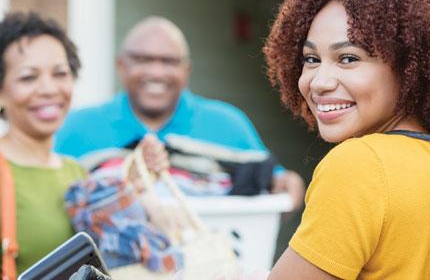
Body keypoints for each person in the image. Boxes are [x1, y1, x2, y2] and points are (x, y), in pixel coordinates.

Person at [261, 0, 430, 279]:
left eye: (348, 59)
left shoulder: (359, 166)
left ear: (410, 67)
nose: (319, 82)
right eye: (311, 59)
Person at [0, 12, 168, 279]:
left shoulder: (76, 172)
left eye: (60, 74)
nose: (49, 88)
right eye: (29, 77)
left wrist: (134, 189)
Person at [55, 16, 304, 207]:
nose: (156, 72)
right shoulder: (76, 128)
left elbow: (276, 186)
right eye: (143, 59)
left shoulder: (227, 124)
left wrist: (290, 184)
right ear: (121, 65)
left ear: (186, 70)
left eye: (169, 62)